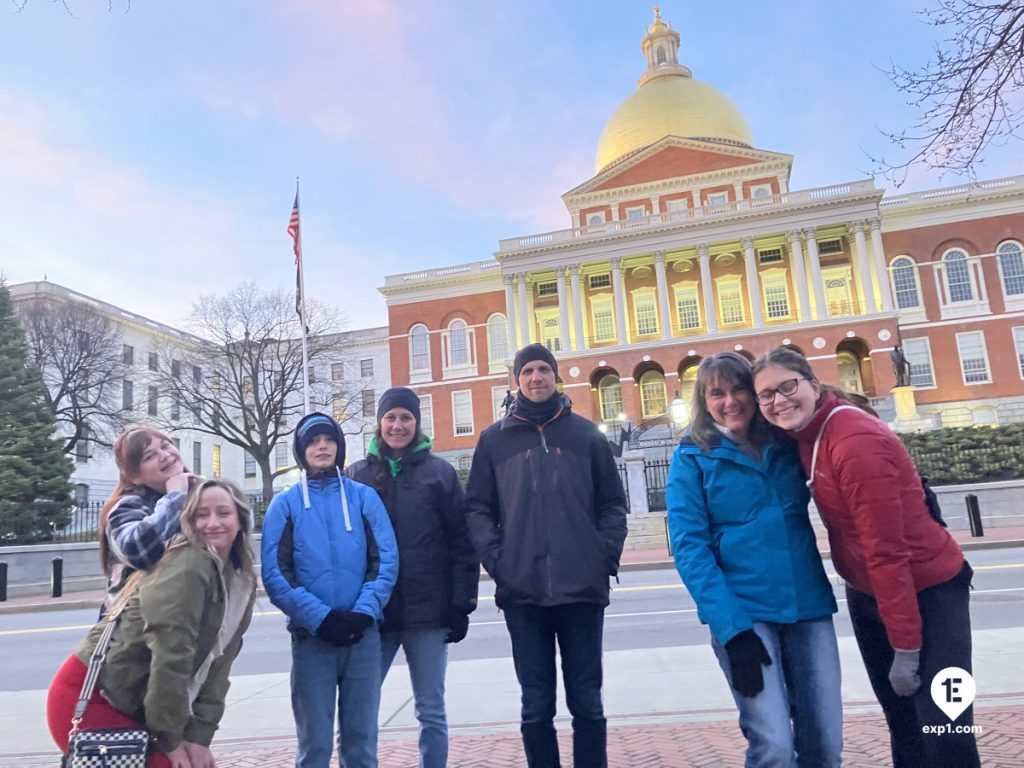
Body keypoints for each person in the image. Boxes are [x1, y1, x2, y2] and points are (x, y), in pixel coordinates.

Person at [752, 347, 978, 768]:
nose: (778, 400)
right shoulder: (805, 433)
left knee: (945, 729)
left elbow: (888, 552)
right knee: (905, 723)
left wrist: (905, 647)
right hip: (871, 592)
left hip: (929, 589)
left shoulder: (854, 442)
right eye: (766, 395)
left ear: (813, 386)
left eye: (788, 387)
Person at [665, 352, 842, 767]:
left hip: (807, 606)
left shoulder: (786, 442)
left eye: (738, 389)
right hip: (745, 615)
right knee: (774, 746)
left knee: (825, 746)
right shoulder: (691, 457)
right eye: (717, 393)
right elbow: (690, 549)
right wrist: (732, 630)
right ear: (704, 402)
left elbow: (841, 454)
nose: (730, 401)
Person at [465, 343, 628, 768]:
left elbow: (612, 503)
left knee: (587, 702)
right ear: (515, 380)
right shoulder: (493, 441)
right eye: (528, 371)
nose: (536, 378)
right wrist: (499, 563)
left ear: (556, 376)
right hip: (523, 592)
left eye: (544, 370)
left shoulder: (586, 434)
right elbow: (478, 508)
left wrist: (603, 555)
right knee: (536, 705)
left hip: (582, 590)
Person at [47, 478, 257, 768]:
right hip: (93, 695)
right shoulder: (188, 564)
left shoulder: (240, 579)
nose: (212, 523)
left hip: (138, 700)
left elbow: (220, 666)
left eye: (223, 513)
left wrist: (198, 737)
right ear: (187, 521)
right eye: (200, 515)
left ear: (241, 519)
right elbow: (170, 657)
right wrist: (169, 740)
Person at [347, 386, 480, 768]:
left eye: (405, 417)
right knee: (361, 707)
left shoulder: (439, 473)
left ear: (416, 423)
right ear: (380, 423)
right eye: (390, 417)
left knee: (431, 710)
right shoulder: (357, 474)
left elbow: (461, 541)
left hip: (428, 612)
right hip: (376, 612)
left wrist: (461, 602)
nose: (398, 425)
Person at [261, 412, 399, 768]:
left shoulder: (365, 498)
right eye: (313, 441)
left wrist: (363, 612)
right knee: (314, 746)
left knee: (361, 745)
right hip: (311, 640)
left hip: (363, 637)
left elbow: (384, 560)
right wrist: (320, 618)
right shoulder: (285, 505)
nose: (322, 446)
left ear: (338, 447)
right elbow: (277, 573)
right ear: (301, 450)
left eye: (329, 440)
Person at [98, 425, 197, 615]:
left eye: (166, 446)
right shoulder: (127, 507)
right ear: (134, 476)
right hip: (136, 629)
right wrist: (176, 496)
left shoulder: (200, 496)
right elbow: (137, 549)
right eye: (149, 456)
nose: (164, 455)